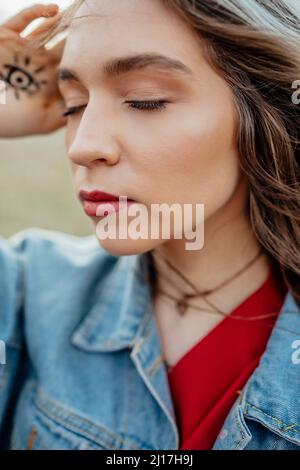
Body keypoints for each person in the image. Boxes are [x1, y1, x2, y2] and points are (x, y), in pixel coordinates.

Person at [0, 0, 299, 450]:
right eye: (73, 105)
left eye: (145, 100)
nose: (84, 146)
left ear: (266, 110)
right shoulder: (27, 290)